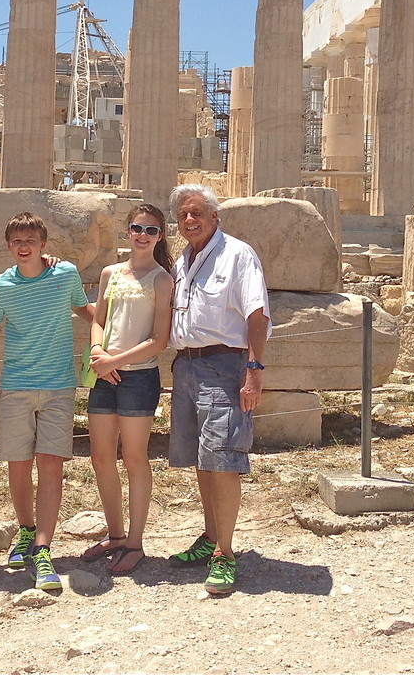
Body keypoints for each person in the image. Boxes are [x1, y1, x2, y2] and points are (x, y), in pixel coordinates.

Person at [0, 211, 94, 592]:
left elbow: (85, 310)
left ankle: (43, 546)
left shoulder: (65, 274)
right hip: (17, 385)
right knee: (19, 465)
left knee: (52, 465)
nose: (24, 247)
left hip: (59, 385)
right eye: (17, 242)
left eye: (31, 241)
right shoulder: (3, 286)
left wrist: (121, 329)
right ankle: (26, 529)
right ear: (9, 246)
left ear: (43, 244)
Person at [165, 183, 270, 596]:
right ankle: (210, 537)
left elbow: (257, 313)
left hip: (225, 366)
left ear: (214, 217)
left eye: (196, 213)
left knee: (223, 459)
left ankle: (225, 554)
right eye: (182, 216)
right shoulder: (182, 260)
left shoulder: (237, 254)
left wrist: (254, 370)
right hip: (187, 367)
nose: (189, 220)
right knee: (202, 459)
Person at [82, 203, 174, 575]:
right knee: (101, 457)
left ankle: (136, 543)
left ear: (160, 236)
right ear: (128, 231)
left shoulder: (162, 279)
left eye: (150, 230)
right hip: (104, 373)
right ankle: (116, 535)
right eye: (137, 228)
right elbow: (98, 320)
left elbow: (159, 339)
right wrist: (97, 351)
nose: (142, 235)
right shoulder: (110, 273)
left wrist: (114, 362)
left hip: (137, 376)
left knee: (134, 459)